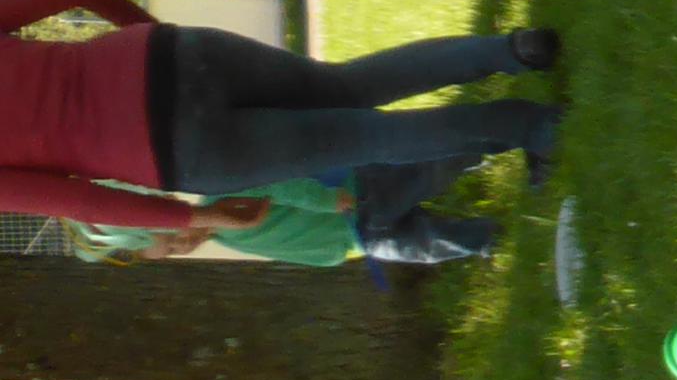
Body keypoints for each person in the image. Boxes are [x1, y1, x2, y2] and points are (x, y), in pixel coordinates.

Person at [0, 0, 556, 233]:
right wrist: (146, 37)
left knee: (370, 139)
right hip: (172, 57)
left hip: (178, 148)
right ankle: (514, 50)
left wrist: (195, 219)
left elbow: (80, 202)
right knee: (348, 85)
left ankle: (531, 126)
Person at [69, 157, 498, 269]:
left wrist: (327, 200)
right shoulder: (223, 233)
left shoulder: (218, 203)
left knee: (426, 175)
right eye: (173, 252)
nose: (182, 248)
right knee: (425, 244)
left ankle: (489, 143)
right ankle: (490, 238)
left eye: (171, 242)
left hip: (354, 200)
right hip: (354, 238)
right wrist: (330, 254)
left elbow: (277, 186)